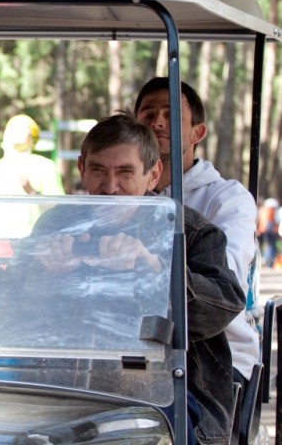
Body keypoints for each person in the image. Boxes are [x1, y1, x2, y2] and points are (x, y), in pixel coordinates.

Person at [0, 113, 244, 444]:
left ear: (153, 174)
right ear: (82, 170)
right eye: (99, 170)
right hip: (61, 385)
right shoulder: (56, 223)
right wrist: (39, 275)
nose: (110, 186)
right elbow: (6, 309)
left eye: (125, 172)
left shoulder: (190, 231)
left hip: (164, 395)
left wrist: (158, 272)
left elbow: (224, 306)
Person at [134, 77, 261, 395]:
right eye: (148, 113)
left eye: (170, 114)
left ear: (197, 132)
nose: (158, 121)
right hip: (132, 346)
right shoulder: (118, 197)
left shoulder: (227, 198)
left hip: (211, 355)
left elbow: (225, 282)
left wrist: (148, 262)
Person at [0, 114, 64, 195]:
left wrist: (32, 192)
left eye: (22, 129)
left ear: (32, 137)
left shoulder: (46, 166)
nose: (17, 132)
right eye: (15, 129)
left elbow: (57, 205)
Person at [258, 197, 279, 268]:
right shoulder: (269, 212)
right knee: (270, 245)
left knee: (268, 245)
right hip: (268, 229)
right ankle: (268, 261)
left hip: (266, 229)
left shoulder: (264, 211)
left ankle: (268, 261)